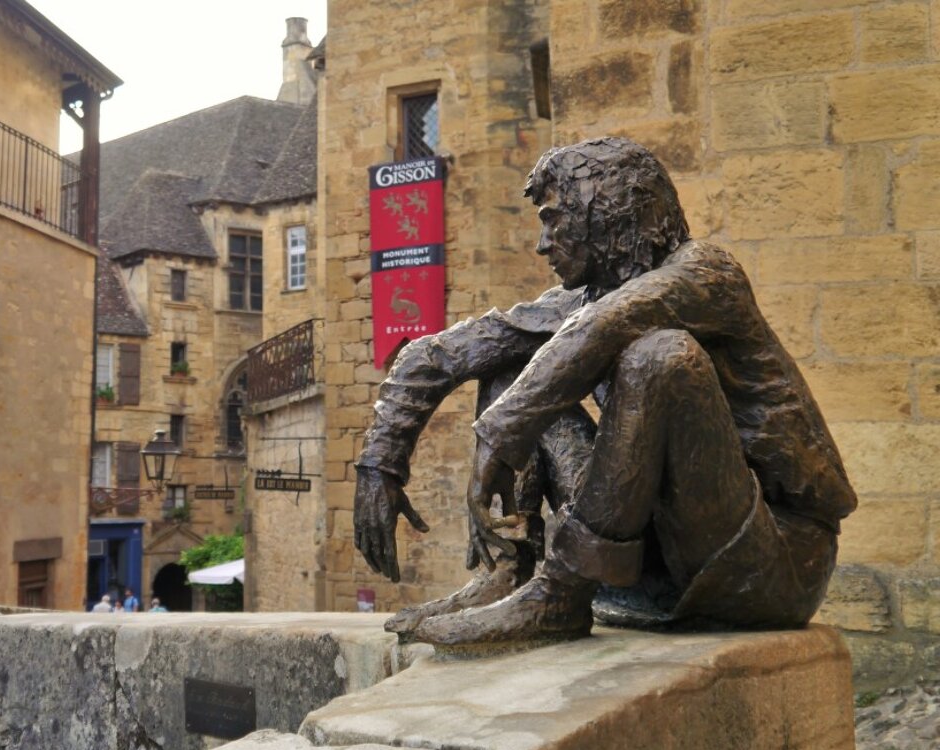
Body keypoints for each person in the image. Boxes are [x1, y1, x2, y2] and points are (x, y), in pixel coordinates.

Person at [353, 137, 856, 649]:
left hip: (772, 561)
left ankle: (561, 596)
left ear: (604, 214)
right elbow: (437, 354)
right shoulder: (584, 302)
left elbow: (606, 324)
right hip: (660, 561)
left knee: (660, 357)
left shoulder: (709, 274)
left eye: (553, 220)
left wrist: (500, 435)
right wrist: (380, 466)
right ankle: (512, 572)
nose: (542, 244)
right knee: (510, 367)